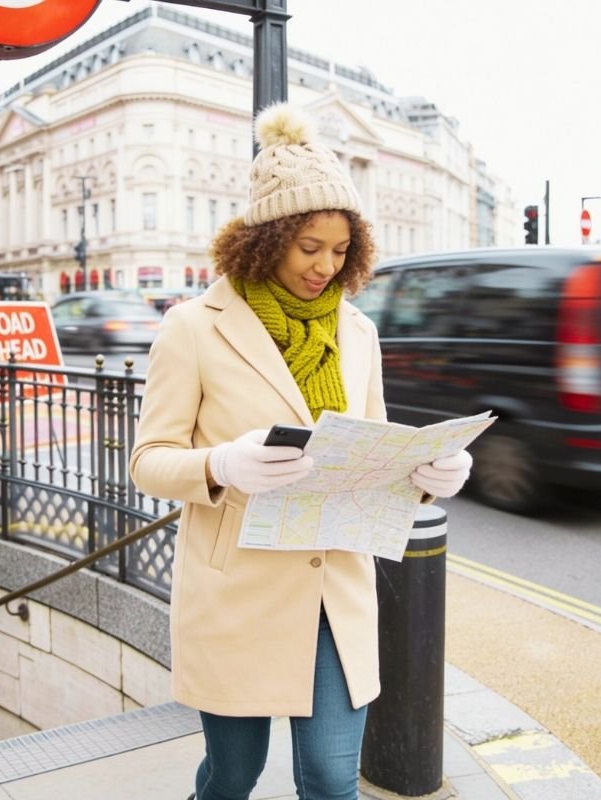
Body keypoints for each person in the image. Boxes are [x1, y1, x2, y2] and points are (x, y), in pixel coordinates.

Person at [128, 103, 473, 800]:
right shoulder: (192, 329)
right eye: (309, 246)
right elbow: (148, 461)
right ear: (268, 238)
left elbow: (374, 455)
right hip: (238, 595)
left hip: (334, 585)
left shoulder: (359, 333)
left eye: (341, 251)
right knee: (234, 775)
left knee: (329, 779)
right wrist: (220, 465)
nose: (326, 266)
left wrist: (429, 476)